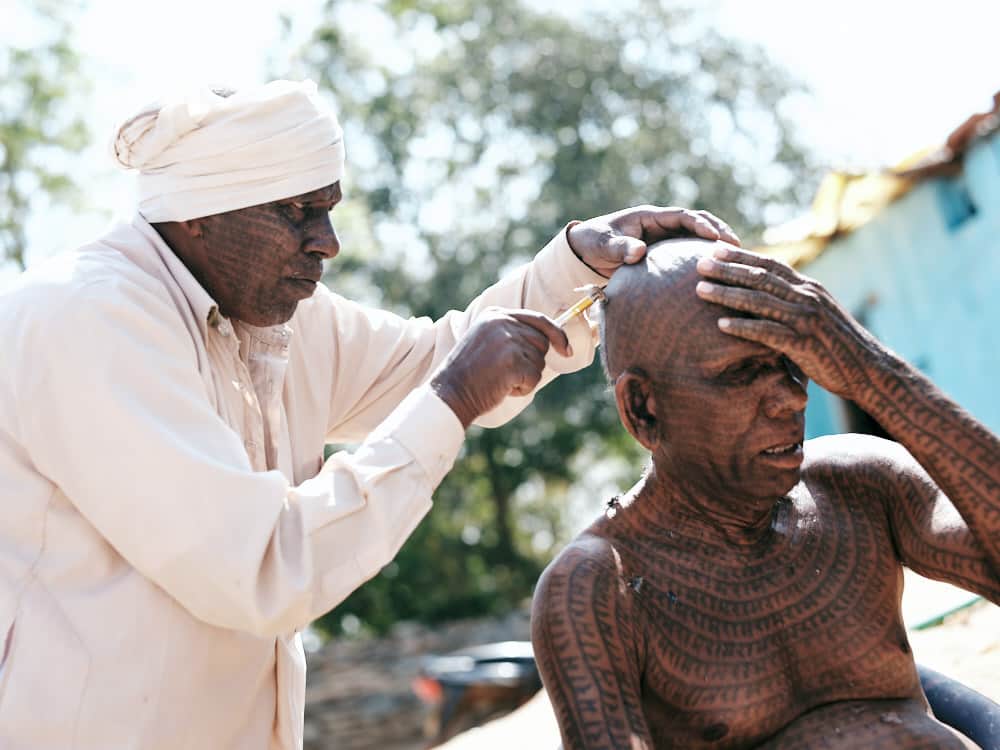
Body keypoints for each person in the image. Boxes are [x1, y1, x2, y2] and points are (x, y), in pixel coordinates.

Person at [0, 80, 738, 750]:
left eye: (328, 208)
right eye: (297, 212)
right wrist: (450, 398)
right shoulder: (87, 320)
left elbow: (437, 363)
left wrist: (575, 265)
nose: (327, 242)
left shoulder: (275, 316)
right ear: (196, 216)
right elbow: (262, 566)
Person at [531, 238, 1000, 748]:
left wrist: (872, 373)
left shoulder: (859, 481)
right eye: (742, 374)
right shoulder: (597, 589)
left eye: (794, 361)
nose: (793, 398)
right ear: (643, 409)